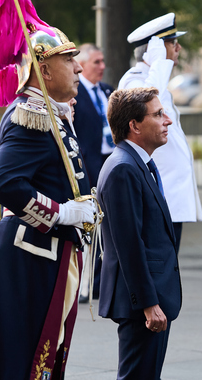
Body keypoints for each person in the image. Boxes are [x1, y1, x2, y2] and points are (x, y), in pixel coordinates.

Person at [0, 27, 96, 380]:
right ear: (43, 70)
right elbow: (3, 184)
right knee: (25, 362)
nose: (78, 68)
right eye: (69, 59)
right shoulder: (31, 116)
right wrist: (61, 213)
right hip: (30, 256)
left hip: (46, 253)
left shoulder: (50, 112)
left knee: (45, 357)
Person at [97, 87, 181, 379]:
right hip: (141, 304)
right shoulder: (123, 169)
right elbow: (128, 244)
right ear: (134, 125)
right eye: (158, 114)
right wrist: (148, 304)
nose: (167, 120)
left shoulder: (138, 163)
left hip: (150, 298)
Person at [119, 12, 202, 253]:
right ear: (154, 50)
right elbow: (147, 101)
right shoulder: (135, 83)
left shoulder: (153, 80)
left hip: (168, 198)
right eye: (171, 44)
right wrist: (159, 63)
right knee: (158, 270)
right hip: (156, 197)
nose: (177, 49)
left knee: (167, 271)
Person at [73, 43, 114, 303]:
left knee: (110, 224)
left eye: (102, 61)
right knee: (92, 225)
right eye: (96, 62)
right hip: (89, 166)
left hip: (111, 162)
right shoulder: (75, 93)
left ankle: (101, 283)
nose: (102, 66)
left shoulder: (108, 91)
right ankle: (85, 283)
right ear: (83, 65)